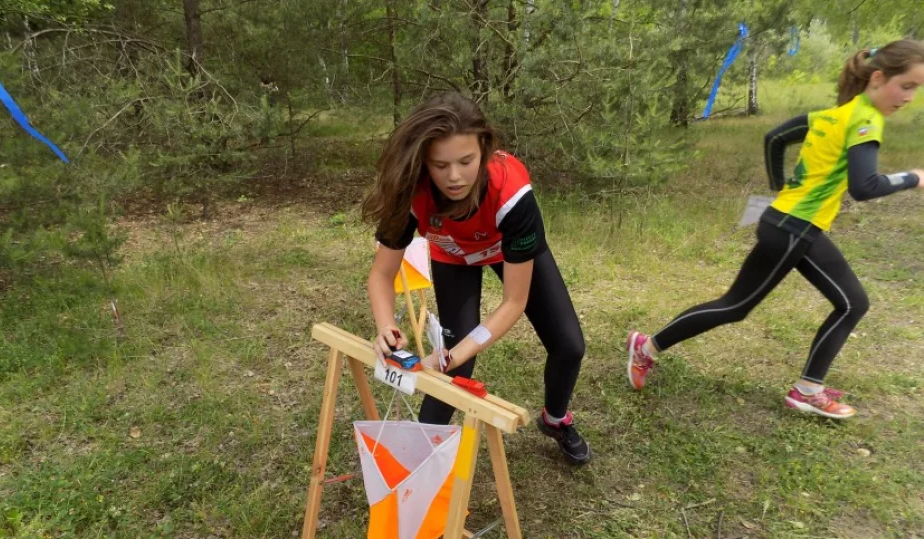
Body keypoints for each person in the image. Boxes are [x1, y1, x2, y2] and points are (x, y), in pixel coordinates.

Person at [626, 40, 924, 419]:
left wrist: (780, 188)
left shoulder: (832, 115)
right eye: (906, 86)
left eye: (916, 89)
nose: (909, 97)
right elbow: (864, 187)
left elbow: (776, 138)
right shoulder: (865, 120)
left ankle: (808, 389)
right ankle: (645, 347)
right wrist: (912, 177)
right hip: (791, 229)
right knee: (735, 306)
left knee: (852, 303)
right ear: (878, 78)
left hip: (795, 226)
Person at [362, 92, 591, 464]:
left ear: (484, 150)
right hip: (453, 256)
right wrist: (386, 326)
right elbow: (381, 274)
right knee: (457, 366)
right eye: (440, 165)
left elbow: (514, 302)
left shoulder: (513, 194)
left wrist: (457, 352)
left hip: (507, 250)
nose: (454, 177)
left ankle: (555, 419)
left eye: (466, 161)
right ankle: (415, 462)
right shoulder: (411, 191)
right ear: (424, 162)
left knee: (569, 345)